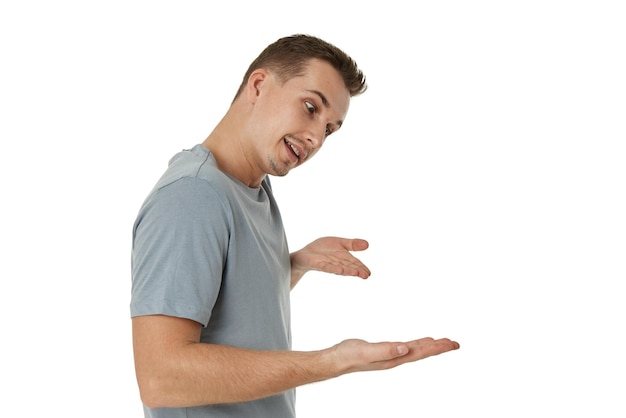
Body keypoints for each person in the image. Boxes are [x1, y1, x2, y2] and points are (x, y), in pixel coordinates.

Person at [130, 34, 459, 418]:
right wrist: (334, 362)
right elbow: (160, 377)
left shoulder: (251, 186)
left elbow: (222, 306)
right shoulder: (193, 196)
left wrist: (292, 265)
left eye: (330, 129)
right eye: (310, 107)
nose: (316, 137)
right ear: (258, 85)